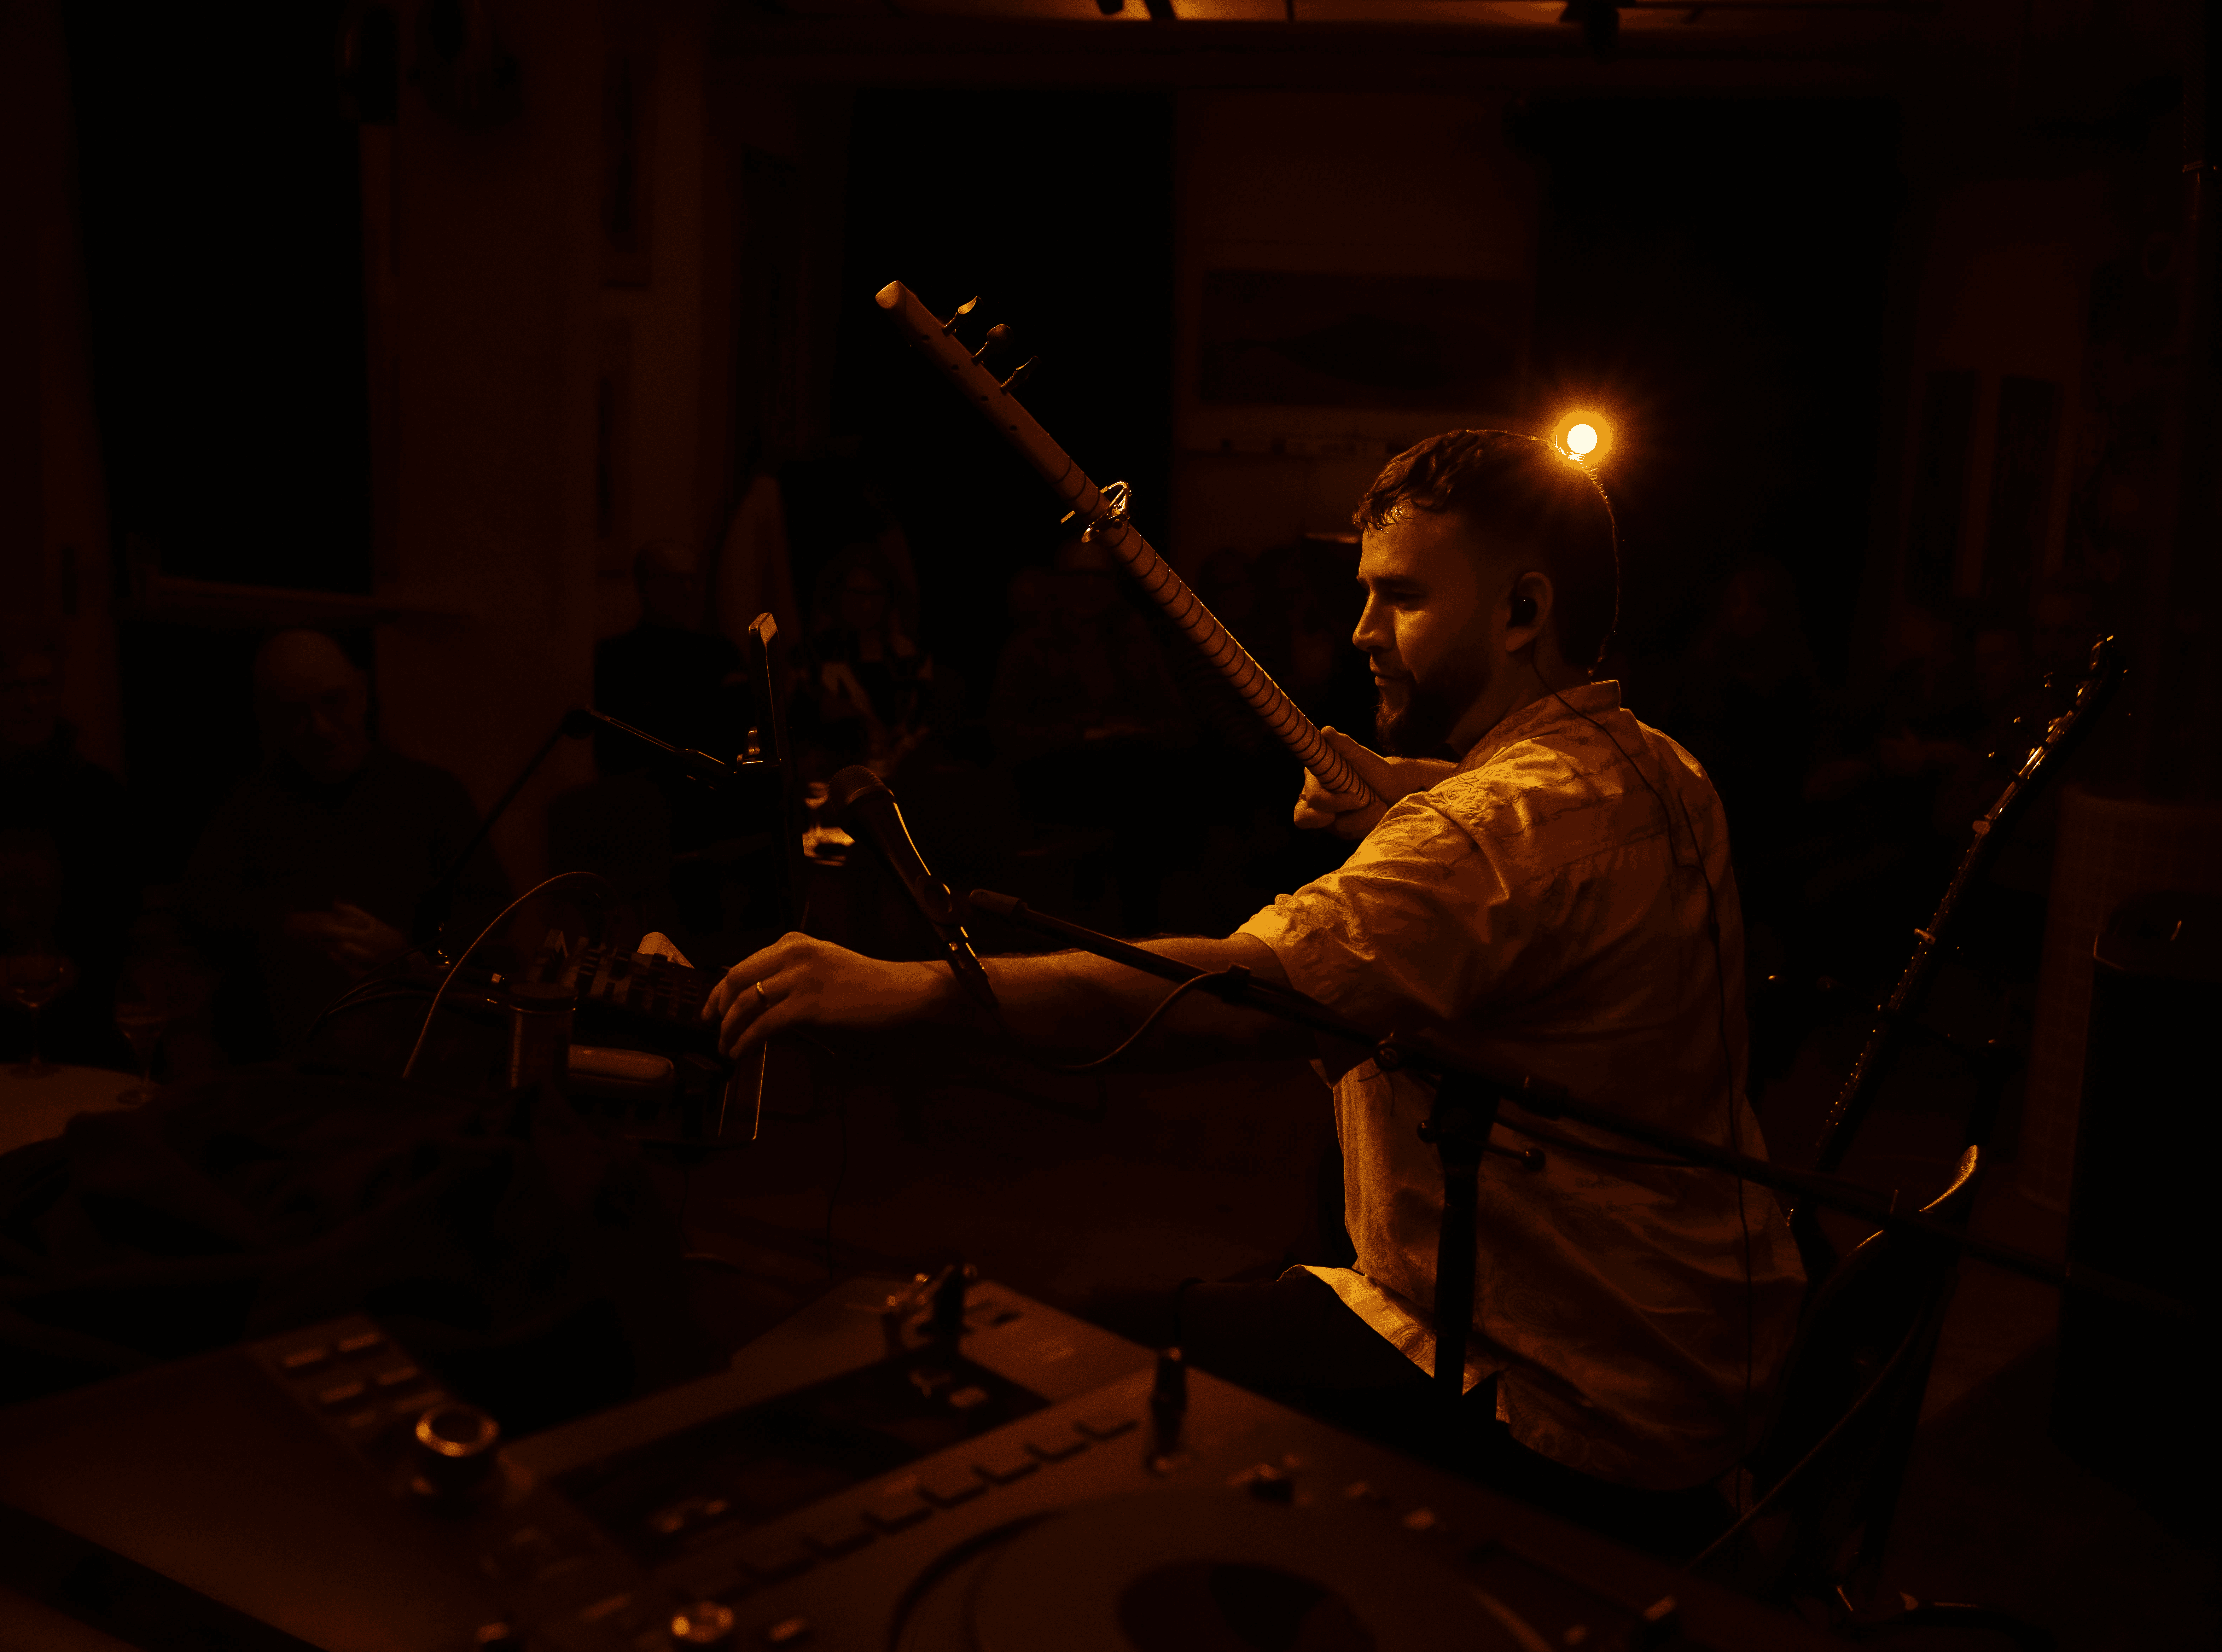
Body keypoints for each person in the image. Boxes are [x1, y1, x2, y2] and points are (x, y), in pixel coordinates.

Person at [667, 431, 1806, 1554]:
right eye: (1362, 596)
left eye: (1401, 599)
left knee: (1056, 1359)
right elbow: (1529, 829)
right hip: (1702, 1355)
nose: (1364, 633)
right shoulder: (1658, 766)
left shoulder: (1480, 838)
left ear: (1522, 612)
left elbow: (1218, 995)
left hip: (1550, 1379)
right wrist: (1411, 791)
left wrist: (912, 990)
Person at [184, 630, 507, 1054]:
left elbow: (492, 912)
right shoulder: (249, 805)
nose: (319, 727)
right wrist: (285, 925)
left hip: (415, 1035)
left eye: (332, 702)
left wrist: (408, 954)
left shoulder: (430, 794)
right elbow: (203, 907)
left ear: (362, 690)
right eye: (294, 712)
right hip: (283, 1050)